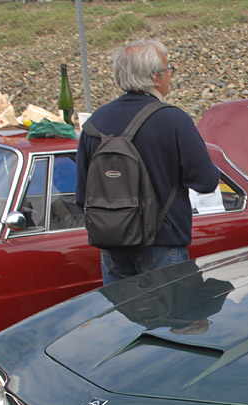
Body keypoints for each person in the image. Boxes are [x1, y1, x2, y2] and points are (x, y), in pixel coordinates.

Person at [76, 38, 221, 284]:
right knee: (174, 316)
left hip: (112, 245)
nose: (170, 77)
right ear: (155, 77)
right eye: (168, 70)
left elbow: (82, 196)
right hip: (163, 243)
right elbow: (206, 182)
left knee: (125, 321)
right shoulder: (173, 120)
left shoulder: (94, 122)